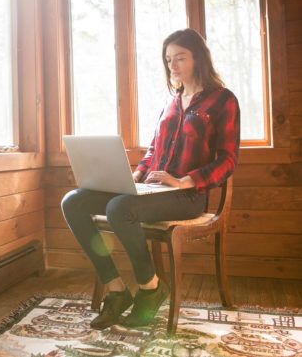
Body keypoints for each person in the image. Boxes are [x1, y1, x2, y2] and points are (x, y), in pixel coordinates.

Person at [61, 28, 240, 330]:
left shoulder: (223, 100)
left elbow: (228, 160)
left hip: (188, 197)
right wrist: (134, 175)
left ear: (199, 58)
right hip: (150, 191)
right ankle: (116, 290)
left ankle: (150, 287)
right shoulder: (171, 102)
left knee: (120, 208)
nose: (173, 66)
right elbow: (153, 151)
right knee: (74, 202)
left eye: (180, 57)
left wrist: (186, 180)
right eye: (168, 60)